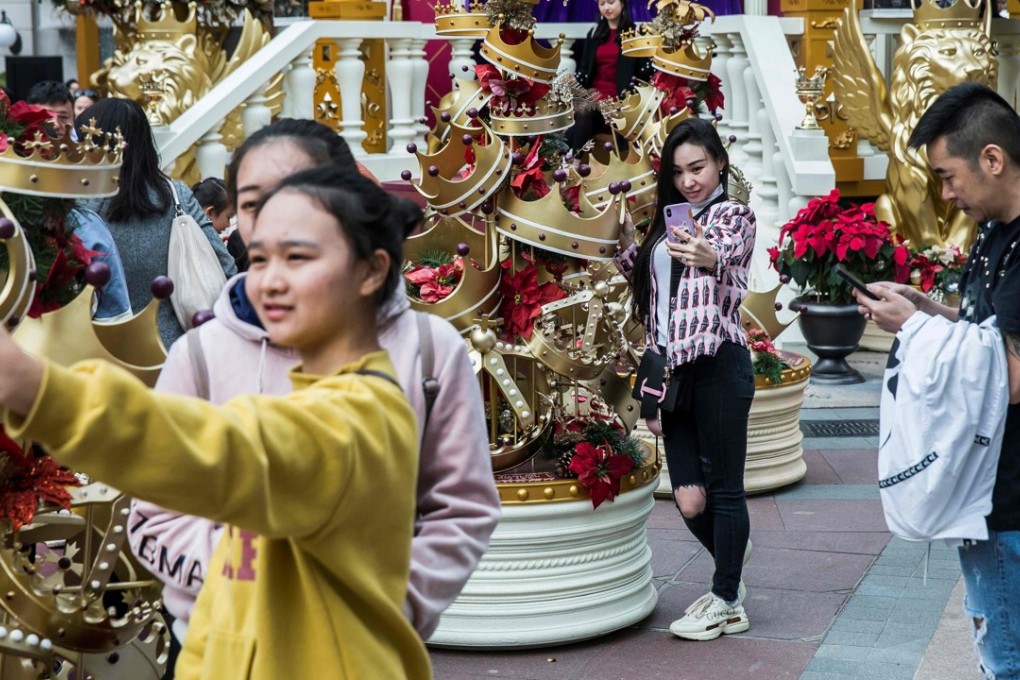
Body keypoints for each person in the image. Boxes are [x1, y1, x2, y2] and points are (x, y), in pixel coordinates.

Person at [0, 164, 433, 679]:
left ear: (371, 272)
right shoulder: (295, 388)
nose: (269, 281)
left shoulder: (366, 416)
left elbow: (220, 452)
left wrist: (42, 390)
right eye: (262, 258)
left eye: (298, 258)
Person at [127, 118, 500, 653]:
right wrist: (248, 584)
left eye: (298, 193)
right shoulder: (202, 354)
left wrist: (393, 601)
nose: (276, 218)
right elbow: (154, 513)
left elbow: (461, 507)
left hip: (362, 648)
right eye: (254, 204)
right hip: (224, 651)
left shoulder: (428, 346)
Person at [854, 82, 1020, 680]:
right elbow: (981, 333)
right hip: (986, 483)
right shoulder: (995, 232)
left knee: (1008, 657)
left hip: (1010, 496)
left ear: (993, 159)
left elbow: (1013, 374)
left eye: (949, 177)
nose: (945, 195)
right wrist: (925, 312)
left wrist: (918, 334)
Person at [615, 117, 756, 641]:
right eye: (678, 172)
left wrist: (708, 254)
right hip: (672, 375)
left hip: (719, 367)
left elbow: (726, 257)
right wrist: (628, 240)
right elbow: (651, 286)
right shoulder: (667, 223)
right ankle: (732, 555)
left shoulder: (732, 217)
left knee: (724, 490)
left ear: (719, 162)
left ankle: (726, 600)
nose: (689, 180)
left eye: (698, 167)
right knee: (690, 500)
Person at [76, 98, 236, 349]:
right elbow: (225, 265)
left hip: (104, 350)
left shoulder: (79, 206)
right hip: (178, 348)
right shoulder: (176, 195)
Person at [568, 0, 651, 152]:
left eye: (611, 2)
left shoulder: (635, 34)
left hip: (621, 102)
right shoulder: (594, 34)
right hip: (595, 99)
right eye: (602, 4)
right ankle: (574, 162)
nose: (606, 8)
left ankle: (568, 158)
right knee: (584, 111)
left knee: (585, 114)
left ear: (623, 3)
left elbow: (644, 74)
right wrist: (575, 83)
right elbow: (584, 70)